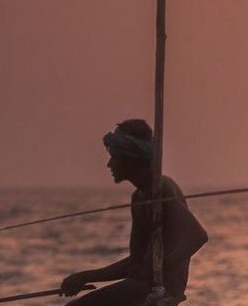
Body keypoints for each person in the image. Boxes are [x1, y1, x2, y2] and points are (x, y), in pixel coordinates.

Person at [58, 119, 209, 306]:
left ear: (130, 158)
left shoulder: (162, 189)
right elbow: (135, 263)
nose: (109, 164)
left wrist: (158, 268)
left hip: (163, 289)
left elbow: (197, 236)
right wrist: (84, 277)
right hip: (142, 284)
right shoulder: (138, 197)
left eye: (115, 157)